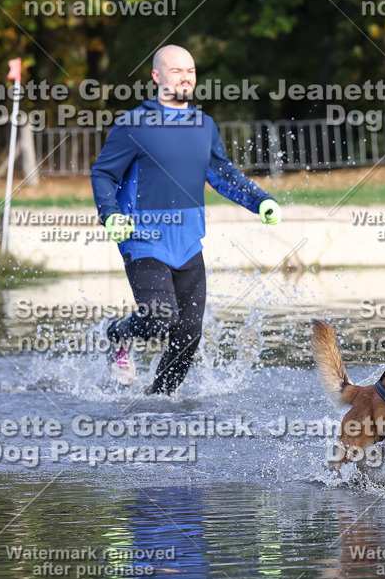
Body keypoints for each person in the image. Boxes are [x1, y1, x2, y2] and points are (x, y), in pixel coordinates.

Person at [90, 45, 282, 394]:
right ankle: (118, 334)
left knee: (189, 332)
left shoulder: (203, 125)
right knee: (159, 316)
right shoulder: (133, 124)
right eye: (176, 71)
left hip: (189, 242)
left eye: (190, 71)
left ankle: (159, 397)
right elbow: (103, 173)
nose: (185, 78)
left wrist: (261, 201)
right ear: (156, 76)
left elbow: (222, 174)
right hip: (143, 239)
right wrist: (111, 214)